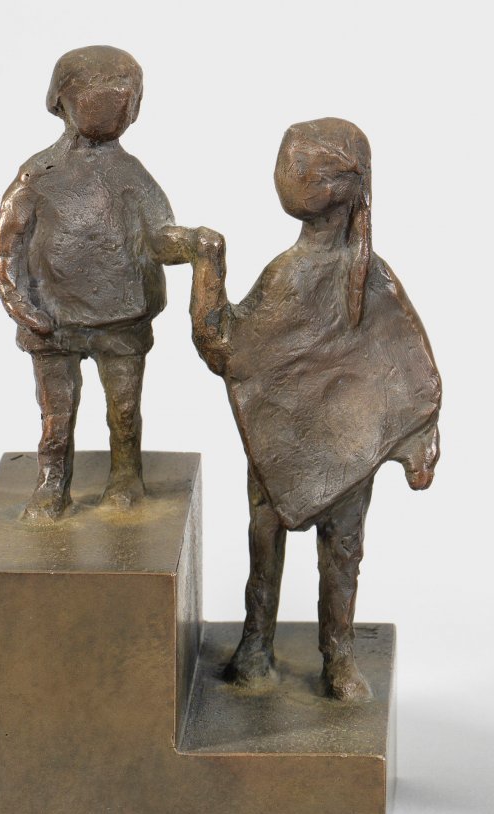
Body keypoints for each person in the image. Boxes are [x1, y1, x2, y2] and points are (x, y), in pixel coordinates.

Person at [188, 117, 441, 700]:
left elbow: (411, 363)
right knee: (271, 541)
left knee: (336, 551)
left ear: (335, 189)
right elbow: (232, 352)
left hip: (349, 443)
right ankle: (258, 643)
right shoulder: (292, 273)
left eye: (299, 168)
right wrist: (208, 268)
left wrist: (419, 437)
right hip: (280, 437)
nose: (288, 175)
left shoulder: (365, 277)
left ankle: (337, 655)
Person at [0, 46, 195, 519]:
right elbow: (8, 245)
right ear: (60, 100)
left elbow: (159, 237)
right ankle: (51, 485)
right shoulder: (37, 175)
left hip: (122, 319)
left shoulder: (132, 175)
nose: (113, 105)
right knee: (56, 416)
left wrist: (193, 244)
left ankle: (126, 477)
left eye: (124, 97)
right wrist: (19, 303)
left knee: (124, 411)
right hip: (52, 321)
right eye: (96, 94)